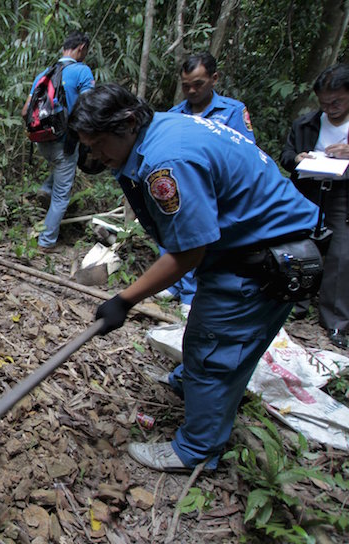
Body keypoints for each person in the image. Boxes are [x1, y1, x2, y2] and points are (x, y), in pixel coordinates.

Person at [69, 84, 319, 471]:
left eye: (100, 143)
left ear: (129, 123)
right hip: (246, 246)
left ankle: (196, 450)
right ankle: (199, 386)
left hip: (266, 257)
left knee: (212, 349)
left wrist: (124, 300)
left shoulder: (166, 162)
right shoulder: (161, 130)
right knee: (208, 338)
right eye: (89, 146)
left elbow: (188, 251)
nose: (96, 156)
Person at [161, 52, 256, 309]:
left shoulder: (233, 111)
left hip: (216, 189)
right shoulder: (174, 114)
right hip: (182, 187)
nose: (191, 91)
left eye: (198, 84)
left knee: (201, 240)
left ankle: (192, 296)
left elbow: (246, 152)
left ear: (214, 79)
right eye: (186, 86)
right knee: (175, 232)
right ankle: (173, 284)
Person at [280, 63, 349, 349]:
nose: (330, 108)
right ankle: (294, 305)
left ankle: (335, 322)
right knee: (300, 247)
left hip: (343, 195)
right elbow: (286, 155)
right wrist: (299, 159)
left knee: (341, 256)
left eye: (337, 102)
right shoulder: (306, 123)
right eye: (325, 103)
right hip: (309, 191)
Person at [20, 31, 94, 252]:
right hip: (66, 141)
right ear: (81, 48)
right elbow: (90, 108)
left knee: (62, 168)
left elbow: (25, 111)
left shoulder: (44, 73)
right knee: (62, 195)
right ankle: (46, 242)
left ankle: (45, 188)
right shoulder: (82, 71)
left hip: (43, 142)